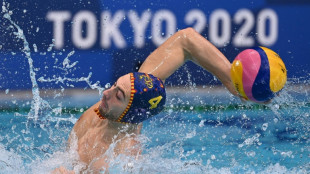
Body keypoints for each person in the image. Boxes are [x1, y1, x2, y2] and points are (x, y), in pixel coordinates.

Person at [52, 27, 238, 173]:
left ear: (130, 114)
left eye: (118, 95)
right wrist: (230, 79)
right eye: (115, 84)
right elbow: (186, 40)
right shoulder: (132, 90)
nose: (106, 93)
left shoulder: (121, 156)